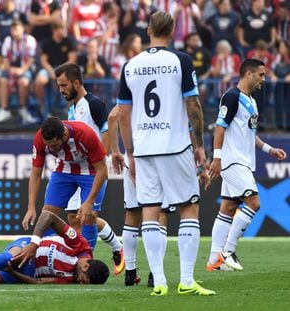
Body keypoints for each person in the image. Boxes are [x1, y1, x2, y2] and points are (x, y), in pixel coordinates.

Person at [117, 11, 215, 296]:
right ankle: (185, 280)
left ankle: (159, 282)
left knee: (150, 209)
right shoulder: (180, 61)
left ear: (148, 30)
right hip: (174, 144)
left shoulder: (130, 65)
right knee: (188, 207)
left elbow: (123, 114)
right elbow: (193, 105)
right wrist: (199, 146)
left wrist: (130, 152)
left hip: (144, 148)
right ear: (172, 30)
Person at [206, 59, 287, 272]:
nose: (264, 79)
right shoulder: (231, 97)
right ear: (248, 74)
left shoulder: (251, 100)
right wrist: (217, 157)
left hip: (243, 160)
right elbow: (220, 128)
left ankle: (214, 260)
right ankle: (228, 251)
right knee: (254, 202)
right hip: (233, 160)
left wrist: (270, 150)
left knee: (228, 208)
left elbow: (250, 134)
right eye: (261, 75)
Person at [54, 62, 125, 275]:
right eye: (59, 85)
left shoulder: (94, 104)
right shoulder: (72, 108)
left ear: (77, 82)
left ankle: (87, 264)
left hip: (94, 170)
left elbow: (107, 128)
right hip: (76, 169)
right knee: (75, 218)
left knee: (87, 216)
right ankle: (117, 246)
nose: (61, 90)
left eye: (64, 85)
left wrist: (108, 153)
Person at [21, 116, 108, 255]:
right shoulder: (40, 138)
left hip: (91, 171)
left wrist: (89, 202)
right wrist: (31, 207)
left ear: (65, 135)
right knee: (47, 213)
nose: (51, 148)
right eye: (48, 145)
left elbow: (102, 170)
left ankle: (86, 259)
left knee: (88, 216)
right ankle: (43, 254)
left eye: (54, 145)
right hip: (64, 170)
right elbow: (36, 173)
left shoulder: (85, 134)